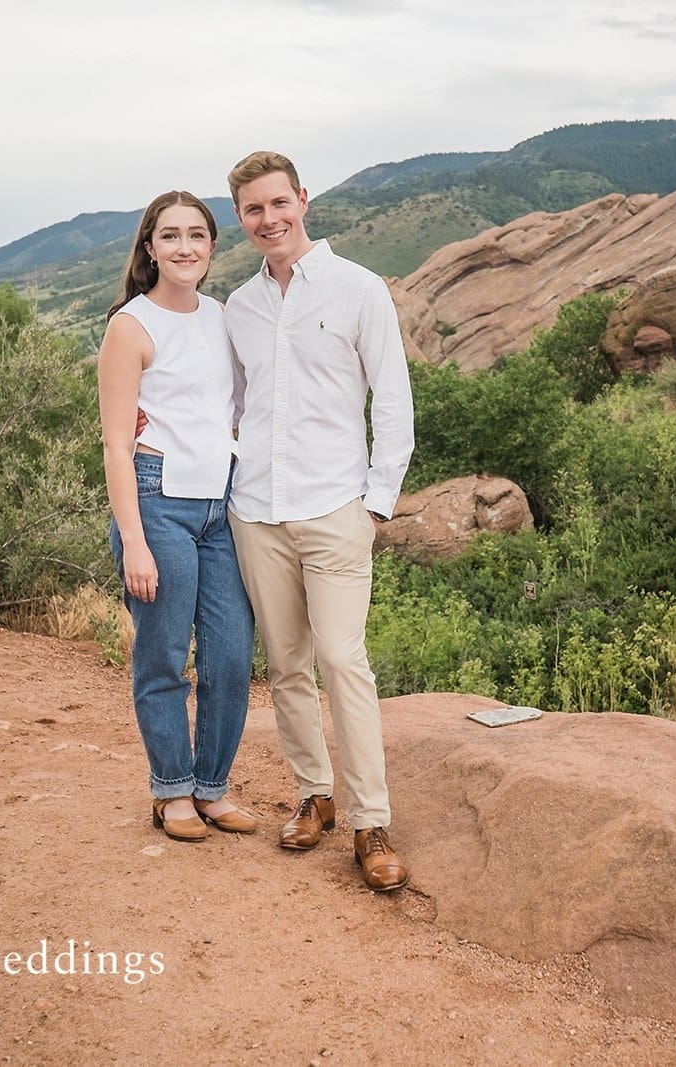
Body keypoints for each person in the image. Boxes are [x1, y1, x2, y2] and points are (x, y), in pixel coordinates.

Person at [222, 151, 416, 891]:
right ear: (240, 217)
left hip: (337, 507)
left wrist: (374, 504)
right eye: (253, 209)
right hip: (259, 510)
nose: (269, 219)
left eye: (279, 203)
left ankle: (372, 822)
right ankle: (315, 795)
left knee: (342, 660)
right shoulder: (240, 307)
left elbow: (393, 401)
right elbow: (233, 404)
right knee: (287, 668)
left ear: (304, 199)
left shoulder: (358, 289)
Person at [98, 190, 256, 843]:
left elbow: (241, 407)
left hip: (223, 503)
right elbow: (114, 441)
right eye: (171, 236)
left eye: (197, 234)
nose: (185, 246)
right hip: (158, 500)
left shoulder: (223, 317)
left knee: (230, 655)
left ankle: (211, 786)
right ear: (150, 248)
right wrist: (133, 539)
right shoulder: (130, 326)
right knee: (163, 656)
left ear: (213, 247)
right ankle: (171, 790)